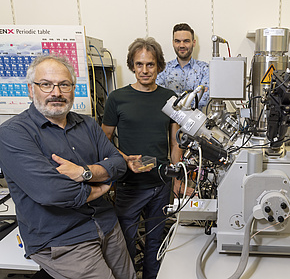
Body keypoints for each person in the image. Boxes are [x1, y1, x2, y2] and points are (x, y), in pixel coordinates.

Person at [0, 55, 136, 279]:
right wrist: (100, 187)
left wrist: (84, 173)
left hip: (106, 224)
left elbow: (119, 163)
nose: (56, 92)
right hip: (63, 239)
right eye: (46, 84)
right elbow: (53, 192)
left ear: (73, 88)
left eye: (64, 85)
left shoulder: (88, 124)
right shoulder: (13, 133)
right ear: (30, 90)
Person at [101, 37, 182, 279]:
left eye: (150, 65)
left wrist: (178, 178)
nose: (145, 70)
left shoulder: (169, 98)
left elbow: (174, 142)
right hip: (129, 185)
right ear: (132, 66)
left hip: (160, 183)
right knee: (123, 242)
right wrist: (125, 159)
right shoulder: (117, 98)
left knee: (156, 242)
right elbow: (103, 140)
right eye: (139, 65)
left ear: (159, 66)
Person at [156, 23, 210, 110]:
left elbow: (203, 101)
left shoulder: (205, 69)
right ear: (173, 43)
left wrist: (173, 99)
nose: (181, 45)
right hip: (168, 123)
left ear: (193, 43)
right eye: (177, 41)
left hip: (196, 122)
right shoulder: (162, 69)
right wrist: (194, 95)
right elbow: (160, 100)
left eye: (186, 41)